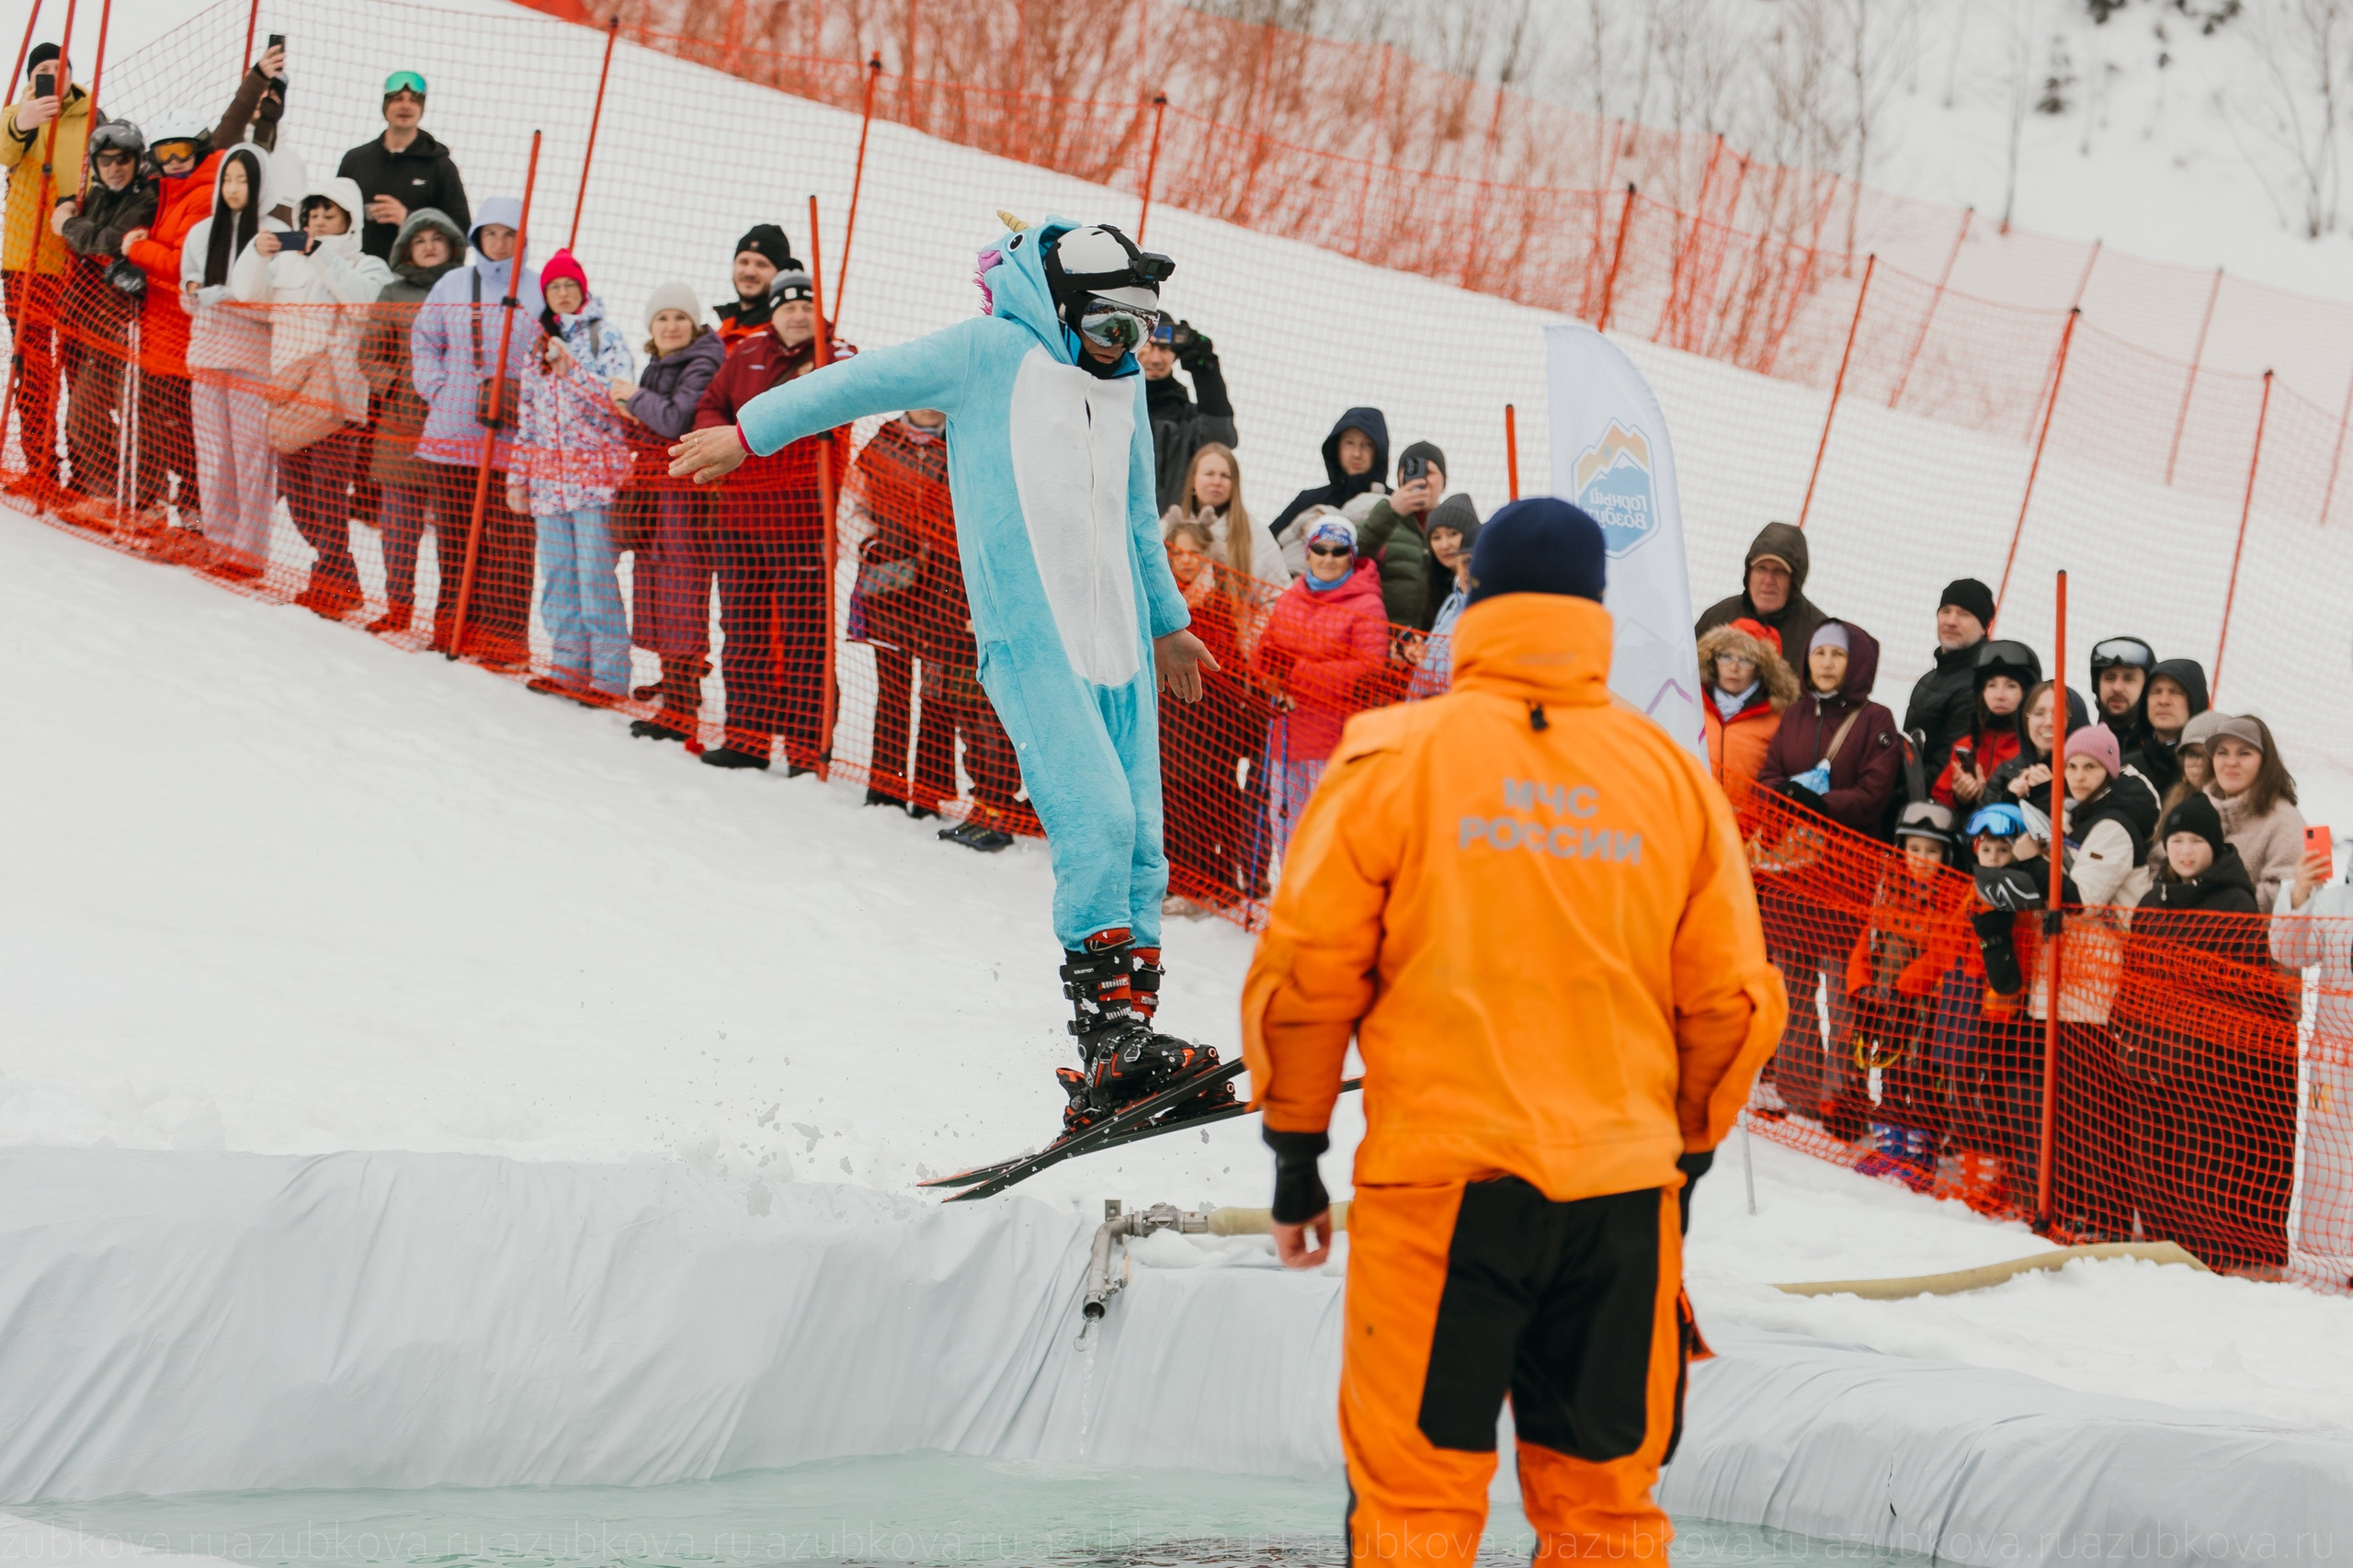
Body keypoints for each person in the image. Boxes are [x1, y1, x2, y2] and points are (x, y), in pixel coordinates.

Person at [1240, 497, 1785, 1566]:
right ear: (1595, 610)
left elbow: (1306, 973)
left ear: (1475, 596)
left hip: (1445, 1196)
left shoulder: (1394, 755)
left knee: (1415, 1510)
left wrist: (1296, 1150)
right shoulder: (1668, 777)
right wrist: (1679, 1151)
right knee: (1605, 1521)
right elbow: (1728, 1000)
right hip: (1617, 1203)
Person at [666, 214, 1228, 1136]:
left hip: (1122, 643)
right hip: (1035, 641)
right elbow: (857, 381)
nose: (1120, 345)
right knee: (1097, 822)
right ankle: (1107, 1044)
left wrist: (1168, 626)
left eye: (1137, 328)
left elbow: (1136, 517)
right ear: (1061, 307)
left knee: (1141, 850)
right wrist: (749, 433)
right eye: (1105, 326)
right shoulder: (985, 354)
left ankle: (1133, 1044)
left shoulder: (1123, 383)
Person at [688, 267, 848, 771]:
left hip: (804, 524)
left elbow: (843, 406)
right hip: (740, 521)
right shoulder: (747, 352)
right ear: (774, 313)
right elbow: (710, 406)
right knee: (743, 633)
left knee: (805, 639)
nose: (797, 315)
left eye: (806, 307)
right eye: (788, 307)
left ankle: (806, 748)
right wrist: (722, 442)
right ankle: (746, 739)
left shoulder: (838, 354)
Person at [2134, 792, 2292, 1268]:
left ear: (2214, 845)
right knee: (2152, 1157)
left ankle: (2209, 1252)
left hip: (2210, 1065)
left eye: (2196, 841)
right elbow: (2132, 976)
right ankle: (2164, 1245)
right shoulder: (2151, 902)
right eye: (2177, 840)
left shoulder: (2234, 902)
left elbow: (2240, 990)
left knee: (2204, 1160)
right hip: (2153, 1059)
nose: (2185, 851)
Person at [233, 176, 393, 618]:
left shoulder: (368, 265)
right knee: (301, 503)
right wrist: (256, 253)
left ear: (350, 219)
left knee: (328, 498)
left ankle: (331, 584)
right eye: (312, 214)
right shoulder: (287, 263)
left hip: (337, 403)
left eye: (329, 214)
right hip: (288, 398)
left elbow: (363, 305)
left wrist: (321, 253)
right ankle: (343, 579)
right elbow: (246, 293)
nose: (318, 221)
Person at [410, 195, 541, 665]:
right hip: (452, 433)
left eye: (509, 235)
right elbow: (425, 340)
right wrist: (438, 388)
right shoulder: (452, 283)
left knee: (510, 544)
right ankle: (453, 627)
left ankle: (504, 639)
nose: (499, 243)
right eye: (491, 234)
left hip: (515, 439)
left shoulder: (541, 289)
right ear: (477, 237)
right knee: (456, 538)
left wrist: (531, 399)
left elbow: (555, 349)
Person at [509, 246, 634, 704]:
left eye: (570, 285)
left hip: (594, 483)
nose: (562, 293)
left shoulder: (606, 337)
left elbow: (620, 400)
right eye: (554, 287)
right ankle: (567, 667)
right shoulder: (537, 346)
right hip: (548, 485)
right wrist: (518, 477)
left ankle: (608, 676)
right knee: (559, 577)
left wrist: (572, 370)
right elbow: (527, 418)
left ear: (583, 290)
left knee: (595, 578)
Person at [613, 282, 726, 740]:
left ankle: (682, 709)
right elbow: (650, 425)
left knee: (681, 590)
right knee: (656, 587)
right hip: (656, 492)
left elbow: (675, 420)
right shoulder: (659, 365)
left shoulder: (703, 361)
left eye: (680, 317)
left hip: (685, 493)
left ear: (694, 323)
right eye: (662, 318)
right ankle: (676, 685)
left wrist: (632, 398)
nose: (671, 325)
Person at [1254, 511, 1388, 860]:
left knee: (1329, 832)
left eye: (1338, 551)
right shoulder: (1290, 597)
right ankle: (1291, 892)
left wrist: (1298, 672)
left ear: (1351, 555)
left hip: (1334, 740)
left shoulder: (1367, 604)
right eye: (1321, 549)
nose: (1329, 558)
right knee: (1286, 827)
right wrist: (1268, 672)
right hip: (1287, 736)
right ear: (1308, 552)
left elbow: (1370, 669)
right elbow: (1264, 653)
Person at [847, 405, 960, 813]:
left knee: (937, 691)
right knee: (892, 689)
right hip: (890, 584)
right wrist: (870, 544)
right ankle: (886, 786)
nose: (927, 406)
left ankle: (930, 791)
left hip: (947, 588)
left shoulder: (964, 439)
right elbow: (853, 503)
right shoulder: (883, 442)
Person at [358, 206, 466, 632]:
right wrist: (396, 384)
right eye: (419, 240)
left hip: (455, 427)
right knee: (398, 528)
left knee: (453, 532)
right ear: (406, 248)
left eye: (437, 238)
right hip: (400, 426)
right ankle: (398, 607)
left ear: (452, 245)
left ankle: (449, 619)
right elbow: (369, 353)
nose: (429, 246)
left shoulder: (467, 291)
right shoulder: (392, 293)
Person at [1, 43, 94, 502]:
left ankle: (87, 472)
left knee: (81, 372)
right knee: (34, 369)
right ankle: (41, 466)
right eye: (43, 68)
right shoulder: (17, 114)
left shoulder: (92, 115)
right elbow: (3, 149)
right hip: (26, 264)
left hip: (78, 263)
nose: (52, 74)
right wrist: (24, 121)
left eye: (60, 68)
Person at [179, 141, 276, 579]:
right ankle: (218, 542)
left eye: (244, 180)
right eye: (229, 180)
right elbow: (187, 295)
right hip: (207, 356)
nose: (234, 188)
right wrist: (195, 292)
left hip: (253, 360)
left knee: (252, 455)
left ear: (260, 185)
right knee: (214, 453)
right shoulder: (202, 232)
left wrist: (233, 300)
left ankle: (249, 552)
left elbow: (278, 303)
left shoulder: (273, 234)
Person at [1159, 517, 1265, 910]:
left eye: (1194, 552)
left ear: (1207, 554)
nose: (1186, 560)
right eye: (1178, 552)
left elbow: (1229, 657)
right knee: (1173, 793)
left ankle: (1217, 880)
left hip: (1211, 714)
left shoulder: (1221, 595)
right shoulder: (1161, 597)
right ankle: (1183, 878)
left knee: (1211, 793)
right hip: (1171, 715)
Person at [1754, 619, 1900, 837]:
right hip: (1788, 848)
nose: (1827, 663)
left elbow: (1873, 794)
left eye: (1838, 654)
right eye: (1819, 653)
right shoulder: (1794, 714)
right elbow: (1767, 776)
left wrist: (1821, 805)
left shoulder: (1875, 718)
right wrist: (1783, 794)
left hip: (1847, 851)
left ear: (1857, 662)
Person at [337, 70, 470, 262]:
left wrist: (408, 218)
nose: (405, 106)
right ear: (385, 106)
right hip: (360, 272)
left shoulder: (440, 166)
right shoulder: (355, 160)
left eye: (414, 100)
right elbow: (333, 217)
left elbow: (461, 230)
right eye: (397, 99)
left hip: (416, 276)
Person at [1267, 406, 1388, 570]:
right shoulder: (1309, 500)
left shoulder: (1393, 503)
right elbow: (1266, 545)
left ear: (1379, 450)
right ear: (1336, 446)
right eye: (1350, 443)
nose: (1357, 453)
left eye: (1367, 445)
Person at [2206, 713, 2304, 910]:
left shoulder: (2284, 821)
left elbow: (2285, 893)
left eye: (2244, 753)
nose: (2231, 762)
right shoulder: (2195, 809)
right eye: (2222, 752)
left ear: (2265, 762)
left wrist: (2212, 906)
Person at [2056, 723, 2159, 908]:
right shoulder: (2077, 813)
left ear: (2108, 772)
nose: (2078, 777)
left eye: (2090, 766)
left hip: (2112, 927)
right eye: (2071, 766)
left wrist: (2031, 862)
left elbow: (2083, 904)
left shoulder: (2114, 827)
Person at [1160, 440, 1284, 594]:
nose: (1216, 482)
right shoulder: (1167, 527)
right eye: (1209, 474)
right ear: (1192, 479)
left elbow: (1278, 594)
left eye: (1225, 476)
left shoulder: (1255, 533)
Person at [1138, 317, 1235, 513]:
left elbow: (1220, 442)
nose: (1155, 359)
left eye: (1164, 349)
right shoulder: (1112, 404)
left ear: (1175, 353)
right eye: (1147, 347)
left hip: (1172, 526)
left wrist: (1205, 371)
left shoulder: (1188, 418)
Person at [1696, 617, 1794, 810]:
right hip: (1693, 817)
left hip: (1748, 824)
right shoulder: (1693, 707)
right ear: (1713, 659)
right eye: (1726, 656)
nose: (1733, 668)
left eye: (1746, 660)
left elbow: (1778, 778)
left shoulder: (1777, 720)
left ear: (1760, 668)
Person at [1902, 578, 1995, 779]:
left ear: (1984, 626)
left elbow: (1947, 767)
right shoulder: (1929, 678)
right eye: (1945, 611)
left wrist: (1893, 792)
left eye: (1964, 614)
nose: (1951, 621)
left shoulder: (1980, 685)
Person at [1694, 522, 1825, 663]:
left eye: (1780, 571)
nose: (1768, 580)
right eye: (1761, 568)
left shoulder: (1819, 635)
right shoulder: (1718, 617)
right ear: (1749, 573)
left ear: (1795, 580)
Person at [1930, 639, 2037, 810]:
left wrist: (1985, 797)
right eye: (1991, 685)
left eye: (2011, 686)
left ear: (2028, 693)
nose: (1999, 695)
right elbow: (1939, 798)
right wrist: (1959, 797)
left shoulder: (2035, 747)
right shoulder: (1967, 745)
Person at [1354, 439, 1449, 628]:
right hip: (1386, 639)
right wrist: (1391, 510)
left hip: (1440, 642)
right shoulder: (1382, 519)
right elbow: (1349, 555)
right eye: (1412, 472)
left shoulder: (1456, 526)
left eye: (1429, 472)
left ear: (1444, 481)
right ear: (1399, 480)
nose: (1421, 480)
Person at [1406, 494, 1482, 699]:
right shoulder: (1448, 599)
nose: (1444, 544)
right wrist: (1417, 652)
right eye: (1436, 537)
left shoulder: (1484, 605)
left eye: (1453, 534)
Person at [1986, 680, 2090, 818]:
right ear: (2025, 721)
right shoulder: (2007, 772)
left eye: (2059, 713)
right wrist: (2008, 800)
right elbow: (1977, 827)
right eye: (2039, 713)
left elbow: (2084, 825)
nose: (2048, 722)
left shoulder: (2086, 774)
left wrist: (2047, 793)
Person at [2128, 656, 2208, 799]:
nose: (2163, 701)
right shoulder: (2127, 768)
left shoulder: (2214, 769)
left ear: (2195, 699)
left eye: (2175, 692)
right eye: (2156, 691)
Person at [711, 222, 796, 342]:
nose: (750, 272)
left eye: (762, 265)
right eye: (744, 262)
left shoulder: (790, 332)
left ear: (780, 273)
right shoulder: (719, 333)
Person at [2087, 634, 2156, 759]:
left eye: (2129, 679)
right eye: (2110, 678)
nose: (2117, 688)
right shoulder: (2081, 750)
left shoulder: (2161, 753)